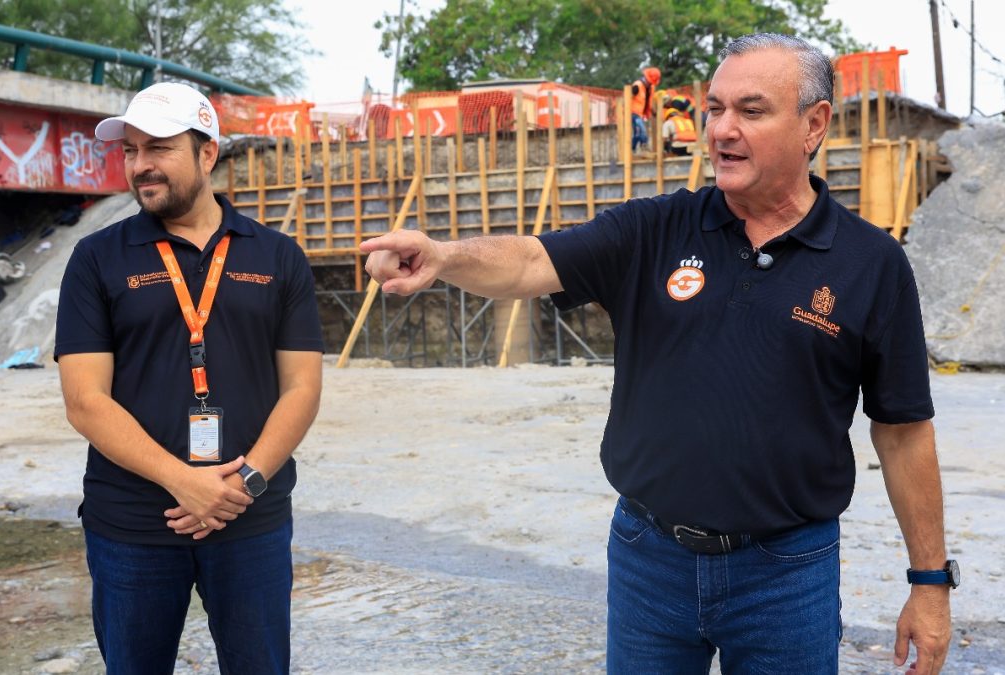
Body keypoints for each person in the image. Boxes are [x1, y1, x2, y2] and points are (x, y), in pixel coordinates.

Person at [360, 32, 954, 674]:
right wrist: (445, 256)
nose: (722, 130)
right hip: (650, 559)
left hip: (788, 572)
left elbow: (902, 432)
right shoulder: (654, 230)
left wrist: (929, 582)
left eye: (750, 112)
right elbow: (531, 261)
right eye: (715, 109)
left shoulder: (872, 264)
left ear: (814, 124)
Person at [55, 82, 324, 674]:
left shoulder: (277, 256)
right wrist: (186, 482)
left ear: (207, 153)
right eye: (130, 150)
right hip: (131, 527)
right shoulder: (97, 258)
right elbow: (84, 400)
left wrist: (243, 484)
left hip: (249, 520)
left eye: (159, 147)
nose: (140, 165)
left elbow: (302, 387)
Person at [630, 66, 661, 152]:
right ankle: (644, 145)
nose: (651, 83)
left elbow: (649, 101)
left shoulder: (651, 88)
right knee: (641, 129)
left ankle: (632, 150)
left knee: (637, 133)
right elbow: (627, 97)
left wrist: (653, 111)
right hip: (633, 113)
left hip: (641, 114)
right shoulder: (637, 85)